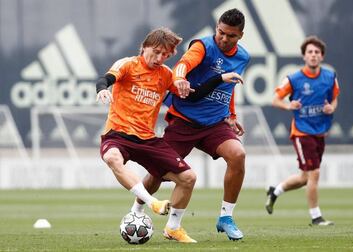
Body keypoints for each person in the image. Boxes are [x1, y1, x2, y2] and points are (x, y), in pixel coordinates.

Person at [96, 27, 242, 243]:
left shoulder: (166, 75)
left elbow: (194, 95)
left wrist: (220, 78)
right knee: (111, 158)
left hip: (148, 139)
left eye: (165, 55)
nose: (159, 58)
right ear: (144, 47)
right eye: (155, 52)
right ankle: (151, 203)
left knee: (188, 178)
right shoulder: (127, 64)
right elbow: (105, 79)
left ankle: (173, 227)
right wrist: (102, 89)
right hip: (117, 134)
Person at [131, 8, 250, 241]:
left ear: (241, 36)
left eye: (231, 36)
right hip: (184, 122)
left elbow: (230, 85)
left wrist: (232, 115)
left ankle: (225, 217)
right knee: (157, 175)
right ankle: (135, 211)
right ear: (217, 27)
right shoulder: (203, 46)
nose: (224, 38)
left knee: (238, 155)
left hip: (215, 124)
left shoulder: (243, 57)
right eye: (221, 32)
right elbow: (183, 65)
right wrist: (178, 78)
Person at [265, 36, 340, 226]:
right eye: (310, 52)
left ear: (322, 56)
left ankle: (276, 191)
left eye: (317, 52)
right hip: (302, 132)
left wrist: (332, 107)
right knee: (314, 173)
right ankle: (316, 217)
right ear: (303, 56)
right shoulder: (294, 79)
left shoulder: (330, 77)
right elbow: (275, 100)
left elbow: (334, 99)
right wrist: (289, 105)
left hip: (320, 132)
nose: (313, 55)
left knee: (304, 178)